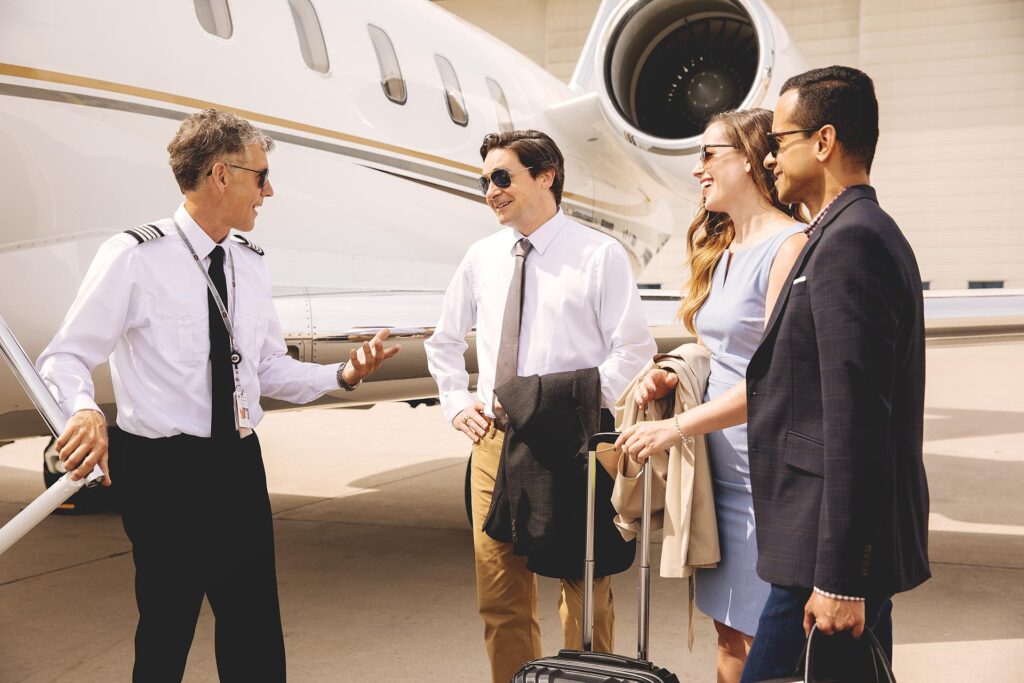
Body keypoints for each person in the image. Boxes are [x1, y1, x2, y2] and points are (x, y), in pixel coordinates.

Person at [36, 108, 399, 683]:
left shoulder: (248, 264)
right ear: (220, 174)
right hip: (162, 470)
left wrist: (343, 376)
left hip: (236, 463)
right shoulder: (135, 257)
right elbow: (65, 354)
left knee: (255, 630)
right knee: (166, 627)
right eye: (261, 176)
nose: (269, 190)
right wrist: (83, 408)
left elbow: (267, 369)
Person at [424, 130, 656, 683]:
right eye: (484, 181)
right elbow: (444, 341)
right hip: (494, 443)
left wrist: (565, 403)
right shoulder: (481, 257)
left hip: (574, 440)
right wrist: (457, 403)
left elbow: (634, 351)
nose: (490, 191)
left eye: (502, 177)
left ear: (546, 175)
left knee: (584, 592)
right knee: (500, 593)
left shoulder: (598, 255)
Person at [614, 108, 806, 682]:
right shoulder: (724, 250)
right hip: (715, 471)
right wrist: (673, 371)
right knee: (727, 630)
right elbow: (721, 352)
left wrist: (675, 427)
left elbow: (775, 377)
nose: (697, 169)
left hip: (763, 475)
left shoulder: (789, 246)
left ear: (749, 159)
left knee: (765, 641)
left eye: (707, 154)